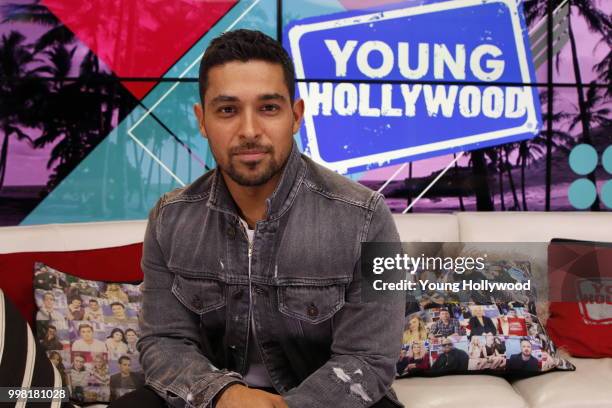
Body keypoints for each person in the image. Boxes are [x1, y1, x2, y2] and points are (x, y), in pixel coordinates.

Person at [111, 29, 404, 408]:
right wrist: (225, 395)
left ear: (295, 115)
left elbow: (371, 358)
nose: (249, 131)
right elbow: (163, 341)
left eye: (268, 108)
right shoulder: (169, 217)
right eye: (228, 110)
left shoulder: (369, 216)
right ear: (202, 120)